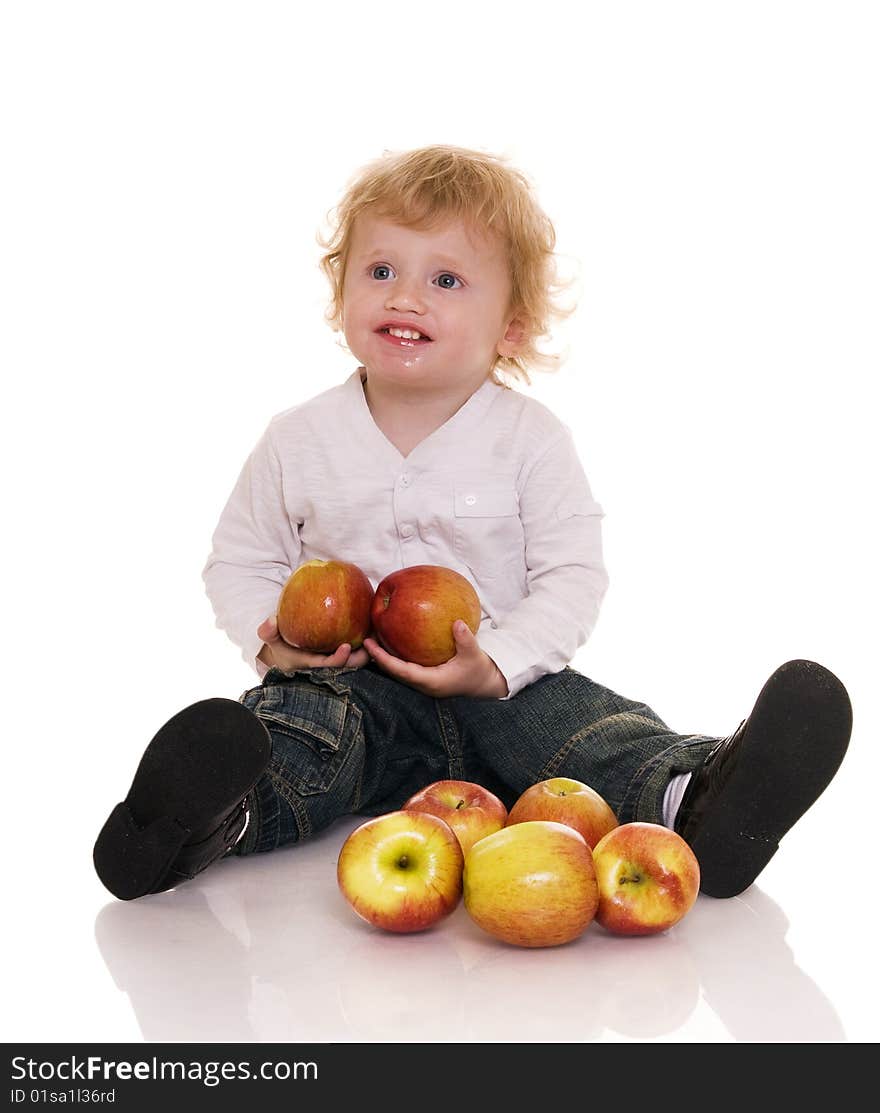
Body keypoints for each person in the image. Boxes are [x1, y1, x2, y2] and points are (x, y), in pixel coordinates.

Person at [93, 145, 852, 903]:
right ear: (340, 294)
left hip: (501, 691)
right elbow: (239, 558)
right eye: (381, 271)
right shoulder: (298, 439)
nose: (407, 296)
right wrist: (274, 638)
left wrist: (499, 661)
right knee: (300, 734)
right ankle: (206, 821)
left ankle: (697, 800)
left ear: (511, 328)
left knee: (583, 728)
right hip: (354, 689)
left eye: (446, 279)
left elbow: (571, 575)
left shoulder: (529, 439)